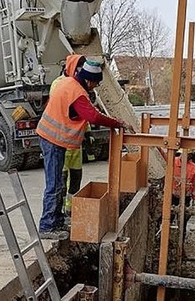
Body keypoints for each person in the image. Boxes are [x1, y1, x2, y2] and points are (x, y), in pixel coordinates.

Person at [36, 58, 133, 240]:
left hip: (52, 138)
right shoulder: (78, 92)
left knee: (56, 183)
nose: (94, 88)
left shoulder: (67, 82)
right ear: (89, 80)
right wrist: (117, 123)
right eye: (95, 84)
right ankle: (47, 226)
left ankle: (56, 220)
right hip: (52, 139)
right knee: (55, 184)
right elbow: (93, 117)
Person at [50, 55, 88, 217]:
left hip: (75, 142)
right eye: (80, 68)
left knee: (76, 178)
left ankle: (71, 210)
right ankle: (60, 214)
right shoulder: (59, 83)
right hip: (62, 141)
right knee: (61, 181)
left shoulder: (78, 84)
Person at [172, 149, 195, 238]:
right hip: (172, 195)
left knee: (183, 220)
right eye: (181, 154)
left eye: (185, 155)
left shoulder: (194, 168)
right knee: (168, 217)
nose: (182, 156)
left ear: (190, 156)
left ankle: (181, 237)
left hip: (186, 196)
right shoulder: (172, 161)